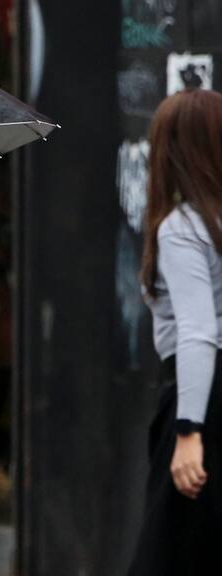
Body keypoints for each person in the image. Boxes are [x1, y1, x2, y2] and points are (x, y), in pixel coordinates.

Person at [129, 89, 222, 575]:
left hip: (202, 402)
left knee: (165, 554)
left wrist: (189, 430)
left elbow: (198, 330)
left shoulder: (183, 227)